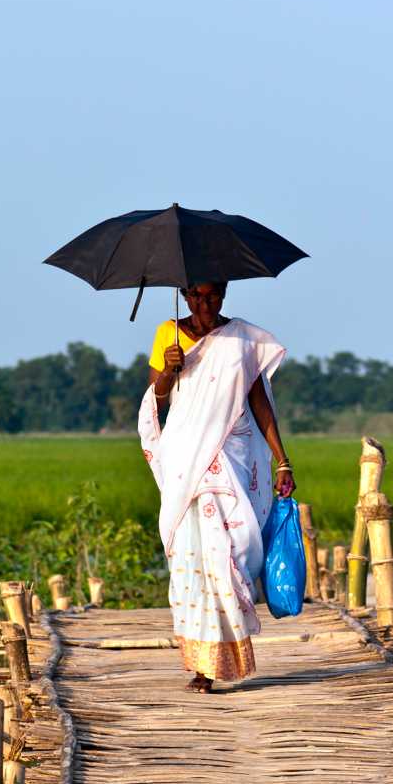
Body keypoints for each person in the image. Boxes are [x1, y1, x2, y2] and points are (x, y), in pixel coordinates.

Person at [137, 282, 294, 694]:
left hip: (231, 457)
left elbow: (260, 404)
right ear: (185, 295)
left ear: (223, 295)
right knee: (194, 563)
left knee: (232, 555)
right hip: (187, 465)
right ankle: (202, 669)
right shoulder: (167, 335)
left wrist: (283, 460)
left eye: (212, 296)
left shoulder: (241, 339)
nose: (204, 304)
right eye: (196, 296)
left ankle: (229, 654)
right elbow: (157, 398)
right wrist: (170, 369)